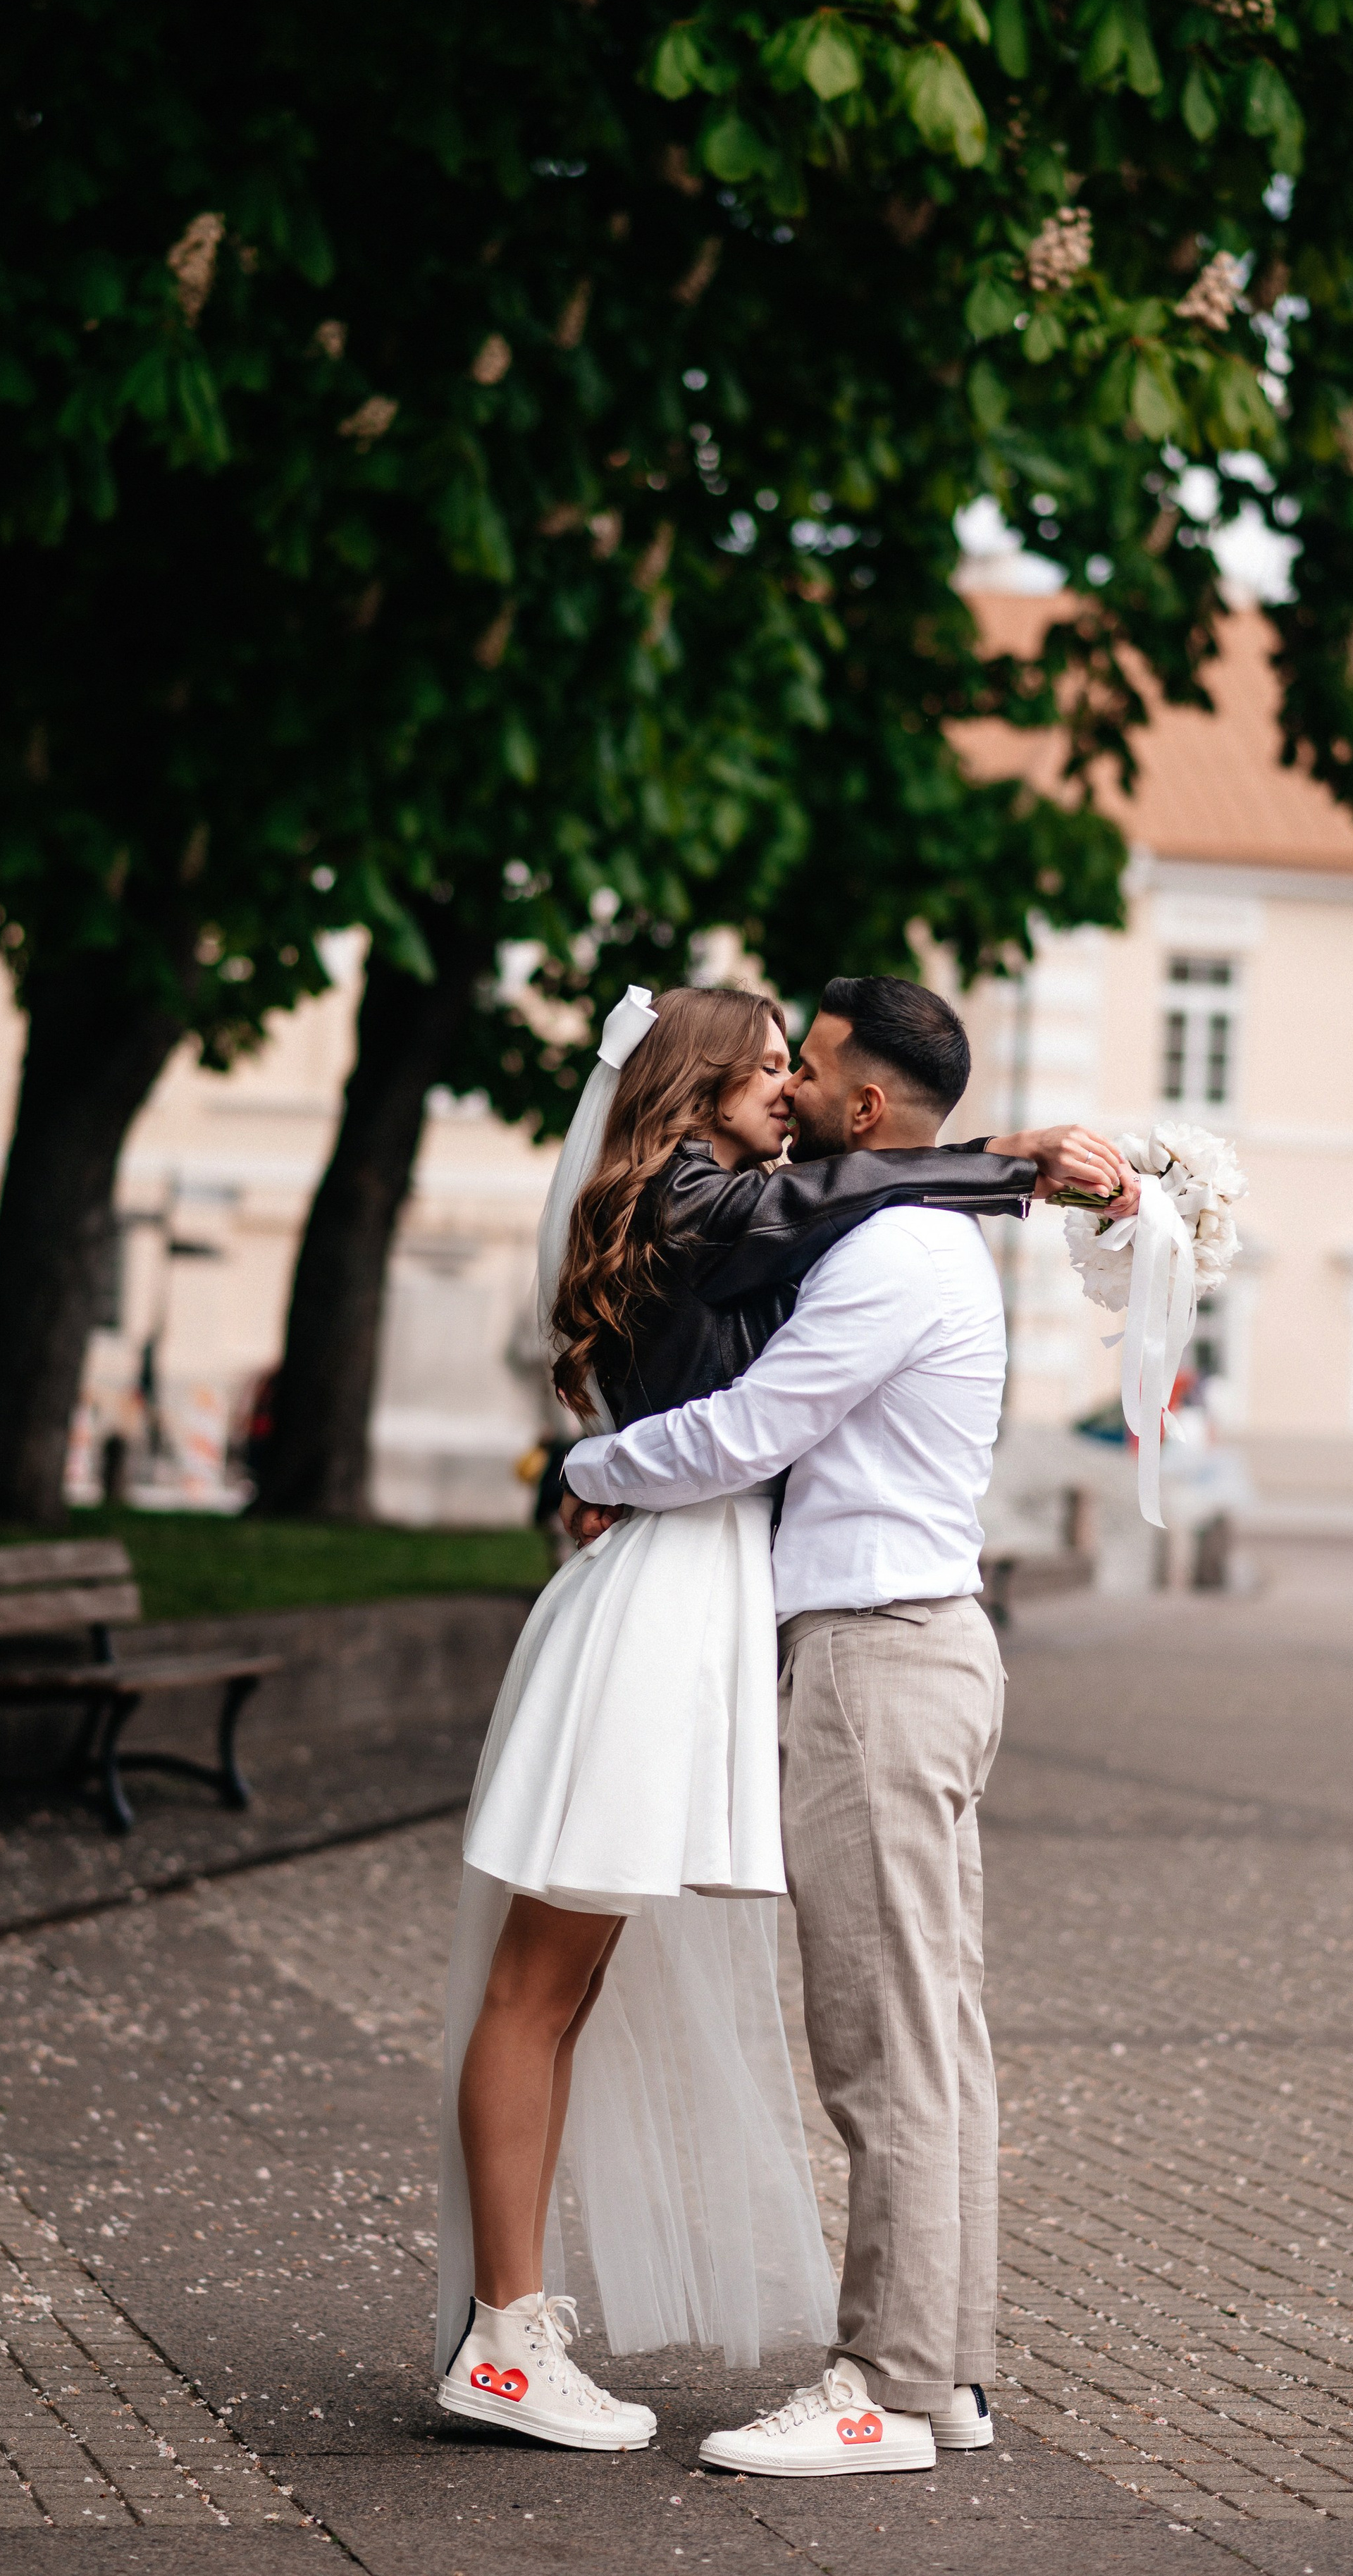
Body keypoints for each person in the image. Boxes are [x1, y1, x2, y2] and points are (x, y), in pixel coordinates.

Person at [435, 980, 1126, 2454]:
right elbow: (769, 1340)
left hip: (804, 1634)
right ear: (689, 1094)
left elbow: (752, 1423)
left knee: (883, 2036)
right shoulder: (708, 1197)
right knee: (559, 1984)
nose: (786, 1090)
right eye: (761, 1068)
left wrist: (602, 1464)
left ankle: (897, 2379)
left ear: (857, 1104)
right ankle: (518, 2336)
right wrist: (1012, 1161)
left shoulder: (836, 1227)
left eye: (797, 1067)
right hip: (678, 1617)